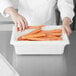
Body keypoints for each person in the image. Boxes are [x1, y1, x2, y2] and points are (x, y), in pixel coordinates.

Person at [0, 0, 74, 35]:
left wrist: (66, 22)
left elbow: (65, 3)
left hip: (49, 30)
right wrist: (13, 13)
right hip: (24, 29)